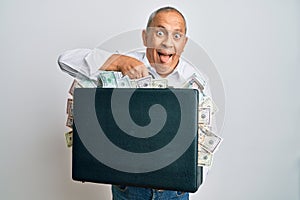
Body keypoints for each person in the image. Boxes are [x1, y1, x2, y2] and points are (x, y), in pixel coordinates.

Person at [58, 6, 212, 200]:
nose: (167, 43)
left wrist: (189, 180)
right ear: (145, 37)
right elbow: (65, 61)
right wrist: (118, 61)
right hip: (128, 190)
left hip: (175, 193)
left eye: (177, 35)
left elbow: (205, 139)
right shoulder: (123, 65)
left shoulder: (196, 81)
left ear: (184, 43)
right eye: (159, 32)